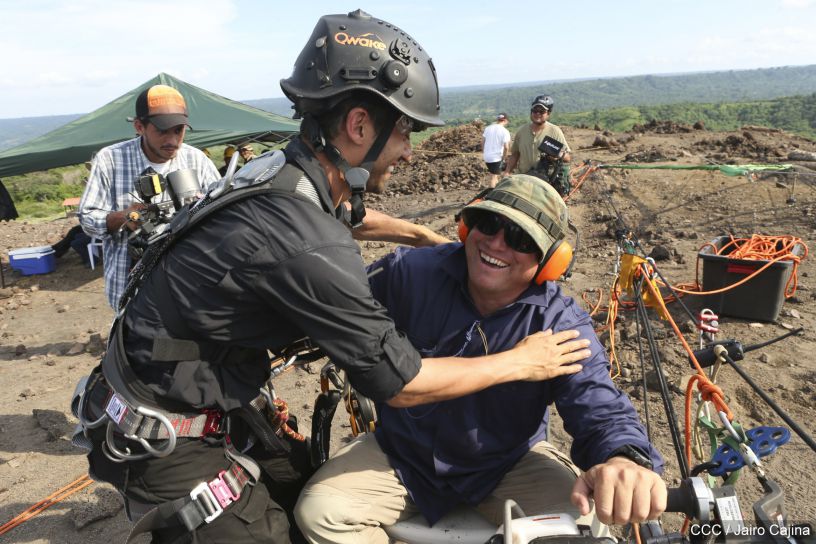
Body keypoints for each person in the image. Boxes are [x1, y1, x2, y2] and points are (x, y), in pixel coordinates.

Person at [73, 10, 575, 544]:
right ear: (359, 125)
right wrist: (522, 362)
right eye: (405, 129)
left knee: (299, 485)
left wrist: (420, 236)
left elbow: (342, 214)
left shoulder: (281, 171)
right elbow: (402, 384)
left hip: (176, 383)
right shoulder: (308, 243)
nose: (409, 151)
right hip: (163, 425)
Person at [295, 175, 666, 544]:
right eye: (488, 224)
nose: (496, 243)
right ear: (467, 227)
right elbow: (339, 308)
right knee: (321, 513)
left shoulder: (559, 324)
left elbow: (600, 407)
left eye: (520, 238)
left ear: (550, 262)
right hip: (403, 454)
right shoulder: (409, 272)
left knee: (579, 527)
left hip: (507, 464)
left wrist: (623, 459)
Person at [77, 84, 220, 309]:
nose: (172, 140)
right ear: (139, 126)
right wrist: (125, 218)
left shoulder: (196, 160)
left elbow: (222, 210)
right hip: (132, 288)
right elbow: (87, 218)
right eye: (162, 131)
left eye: (178, 130)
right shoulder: (111, 159)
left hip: (188, 283)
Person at [504, 95, 572, 189]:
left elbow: (567, 157)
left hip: (545, 182)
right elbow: (515, 154)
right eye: (535, 110)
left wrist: (556, 155)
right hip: (522, 178)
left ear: (548, 113)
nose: (537, 114)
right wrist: (507, 172)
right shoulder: (521, 131)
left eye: (542, 111)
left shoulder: (555, 131)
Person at [481, 112, 511, 188]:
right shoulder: (505, 131)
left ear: (498, 119)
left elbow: (483, 142)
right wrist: (504, 158)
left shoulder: (488, 128)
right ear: (506, 120)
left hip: (487, 157)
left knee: (495, 175)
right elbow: (506, 147)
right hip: (496, 158)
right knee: (493, 177)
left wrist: (484, 152)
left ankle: (495, 189)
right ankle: (491, 192)